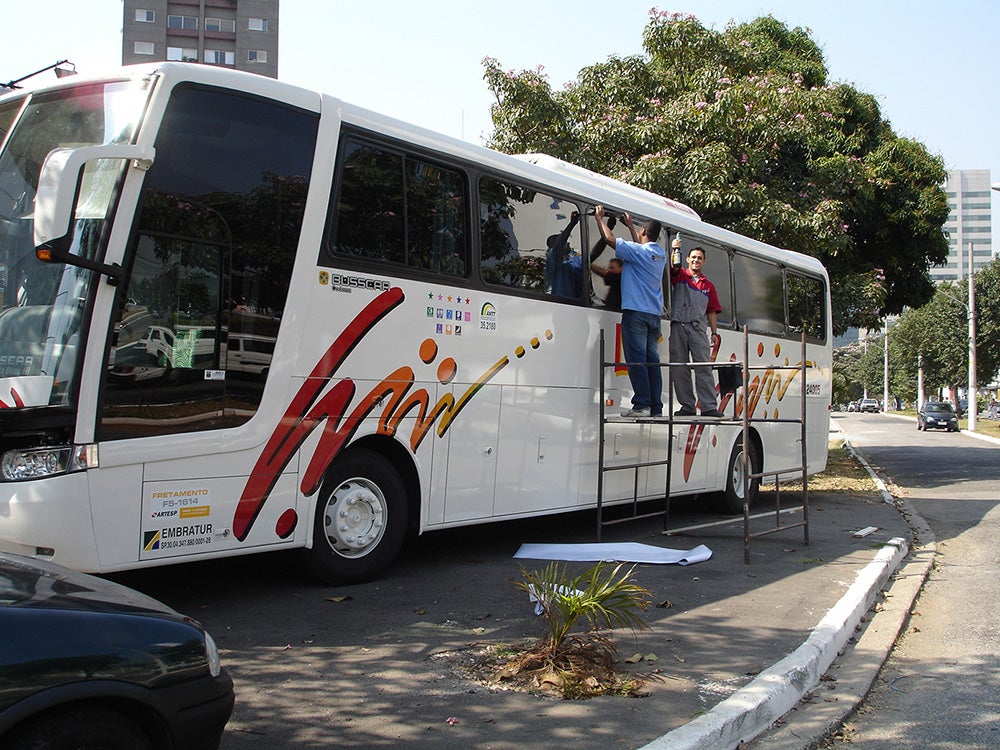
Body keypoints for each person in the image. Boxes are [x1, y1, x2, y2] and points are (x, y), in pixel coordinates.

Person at [593, 205, 666, 417]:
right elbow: (640, 245)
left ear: (644, 231)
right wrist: (631, 226)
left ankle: (641, 405)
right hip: (654, 315)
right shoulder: (659, 254)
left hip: (636, 313)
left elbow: (610, 239)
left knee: (636, 359)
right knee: (652, 361)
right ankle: (656, 407)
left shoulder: (638, 252)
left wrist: (599, 219)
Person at [669, 244, 724, 417]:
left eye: (699, 258)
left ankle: (709, 407)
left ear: (704, 261)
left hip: (698, 328)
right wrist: (675, 249)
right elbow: (673, 267)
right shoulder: (680, 275)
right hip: (678, 325)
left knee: (703, 367)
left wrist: (714, 333)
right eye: (693, 257)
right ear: (687, 259)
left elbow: (712, 311)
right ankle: (687, 406)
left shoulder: (708, 285)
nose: (696, 260)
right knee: (679, 368)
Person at [545, 211, 581, 299]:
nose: (568, 242)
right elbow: (558, 246)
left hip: (578, 303)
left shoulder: (574, 261)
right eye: (565, 241)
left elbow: (591, 256)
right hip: (560, 303)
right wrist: (572, 224)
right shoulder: (552, 261)